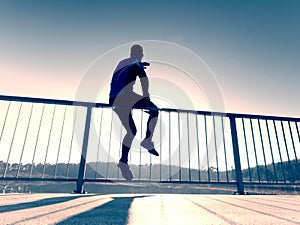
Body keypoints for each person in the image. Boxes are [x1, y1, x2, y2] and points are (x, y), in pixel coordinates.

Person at [109, 44, 159, 180]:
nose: (142, 56)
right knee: (155, 110)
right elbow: (144, 80)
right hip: (125, 97)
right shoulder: (135, 63)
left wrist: (140, 64)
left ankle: (123, 161)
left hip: (114, 99)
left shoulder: (124, 62)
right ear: (140, 54)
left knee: (131, 131)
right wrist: (146, 96)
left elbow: (126, 71)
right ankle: (148, 140)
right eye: (142, 54)